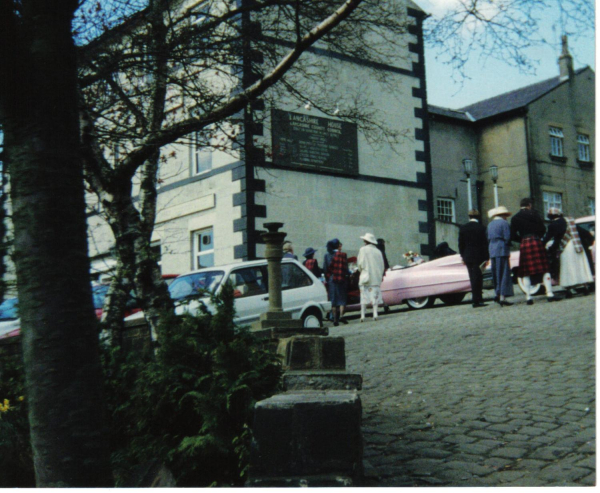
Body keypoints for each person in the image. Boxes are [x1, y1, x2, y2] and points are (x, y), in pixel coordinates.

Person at [511, 198, 558, 304]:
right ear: (529, 205)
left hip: (525, 243)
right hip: (536, 241)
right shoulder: (535, 214)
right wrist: (538, 237)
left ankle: (528, 297)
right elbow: (543, 229)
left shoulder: (515, 218)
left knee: (526, 272)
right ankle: (549, 294)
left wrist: (522, 239)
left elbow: (512, 235)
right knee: (544, 269)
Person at [543, 209, 593, 297]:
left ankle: (569, 289)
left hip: (565, 248)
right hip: (576, 245)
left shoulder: (552, 225)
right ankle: (585, 287)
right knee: (579, 266)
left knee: (567, 268)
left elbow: (548, 238)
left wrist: (543, 245)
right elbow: (584, 233)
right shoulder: (570, 220)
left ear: (550, 217)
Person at [458, 209, 489, 308]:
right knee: (478, 278)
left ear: (469, 216)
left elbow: (460, 244)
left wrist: (462, 256)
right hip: (478, 256)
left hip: (467, 256)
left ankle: (476, 299)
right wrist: (486, 257)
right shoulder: (481, 228)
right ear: (478, 217)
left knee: (472, 278)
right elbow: (485, 244)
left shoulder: (463, 228)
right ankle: (477, 300)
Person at [487, 206, 514, 306]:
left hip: (492, 249)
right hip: (501, 248)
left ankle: (497, 293)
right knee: (504, 272)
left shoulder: (490, 224)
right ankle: (502, 296)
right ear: (502, 215)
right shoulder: (504, 223)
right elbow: (507, 237)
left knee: (496, 273)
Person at [357, 233, 385, 322]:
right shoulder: (378, 251)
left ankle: (362, 315)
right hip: (376, 277)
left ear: (366, 241)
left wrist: (360, 269)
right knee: (375, 296)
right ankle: (375, 313)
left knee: (364, 296)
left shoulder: (363, 250)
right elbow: (382, 265)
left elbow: (360, 263)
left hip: (366, 276)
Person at [324, 239, 348, 326]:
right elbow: (345, 268)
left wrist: (328, 278)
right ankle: (341, 316)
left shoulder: (327, 255)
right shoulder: (343, 255)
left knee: (333, 300)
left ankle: (334, 319)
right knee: (341, 298)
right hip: (341, 278)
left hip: (331, 279)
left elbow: (325, 268)